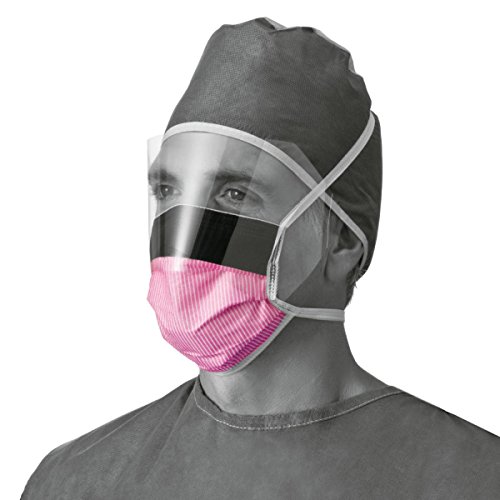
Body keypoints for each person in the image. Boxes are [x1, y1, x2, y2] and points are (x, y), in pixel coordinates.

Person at [21, 17, 499, 500]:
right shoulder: (73, 482)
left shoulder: (472, 480)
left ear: (341, 242)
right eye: (167, 190)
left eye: (234, 193)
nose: (186, 234)